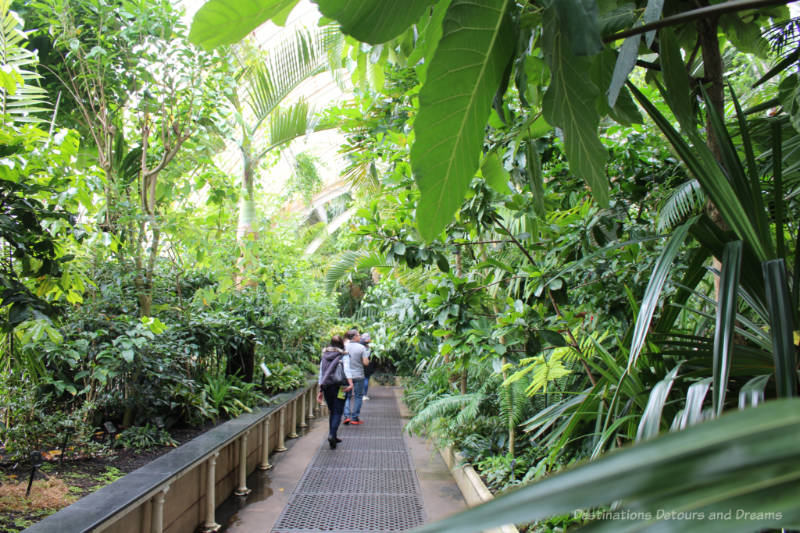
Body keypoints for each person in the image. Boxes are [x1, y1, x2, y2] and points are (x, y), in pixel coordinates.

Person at [317, 335, 353, 449]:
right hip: (340, 386)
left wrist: (320, 390)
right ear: (341, 343)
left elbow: (321, 373)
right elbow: (346, 369)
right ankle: (332, 435)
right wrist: (351, 383)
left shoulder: (325, 355)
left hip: (327, 386)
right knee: (338, 411)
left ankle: (334, 435)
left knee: (332, 410)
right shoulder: (343, 355)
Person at [342, 329, 369, 425]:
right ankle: (354, 418)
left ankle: (346, 416)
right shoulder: (362, 348)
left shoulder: (344, 347)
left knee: (346, 396)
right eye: (358, 335)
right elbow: (366, 363)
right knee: (358, 396)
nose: (360, 336)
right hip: (358, 375)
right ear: (354, 337)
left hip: (345, 376)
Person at [360, 333, 374, 400]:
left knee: (361, 380)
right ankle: (364, 395)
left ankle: (360, 394)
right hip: (368, 365)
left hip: (360, 364)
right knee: (366, 379)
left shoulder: (360, 346)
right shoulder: (371, 347)